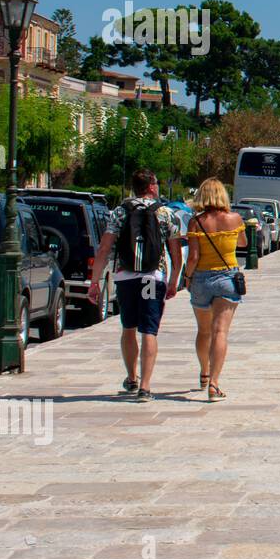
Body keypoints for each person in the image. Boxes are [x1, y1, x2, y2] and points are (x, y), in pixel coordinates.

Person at [86, 168, 183, 402]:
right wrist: (173, 280)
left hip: (125, 278)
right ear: (151, 186)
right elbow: (175, 251)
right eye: (157, 183)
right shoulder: (165, 213)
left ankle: (131, 378)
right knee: (149, 330)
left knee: (128, 326)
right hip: (152, 277)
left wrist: (95, 281)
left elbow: (104, 248)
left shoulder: (120, 211)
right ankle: (146, 387)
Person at [183, 178, 247, 402]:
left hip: (201, 277)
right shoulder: (235, 219)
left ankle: (204, 372)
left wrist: (187, 278)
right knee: (220, 332)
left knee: (204, 331)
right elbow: (243, 244)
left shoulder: (196, 222)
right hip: (227, 278)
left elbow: (193, 257)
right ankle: (214, 384)